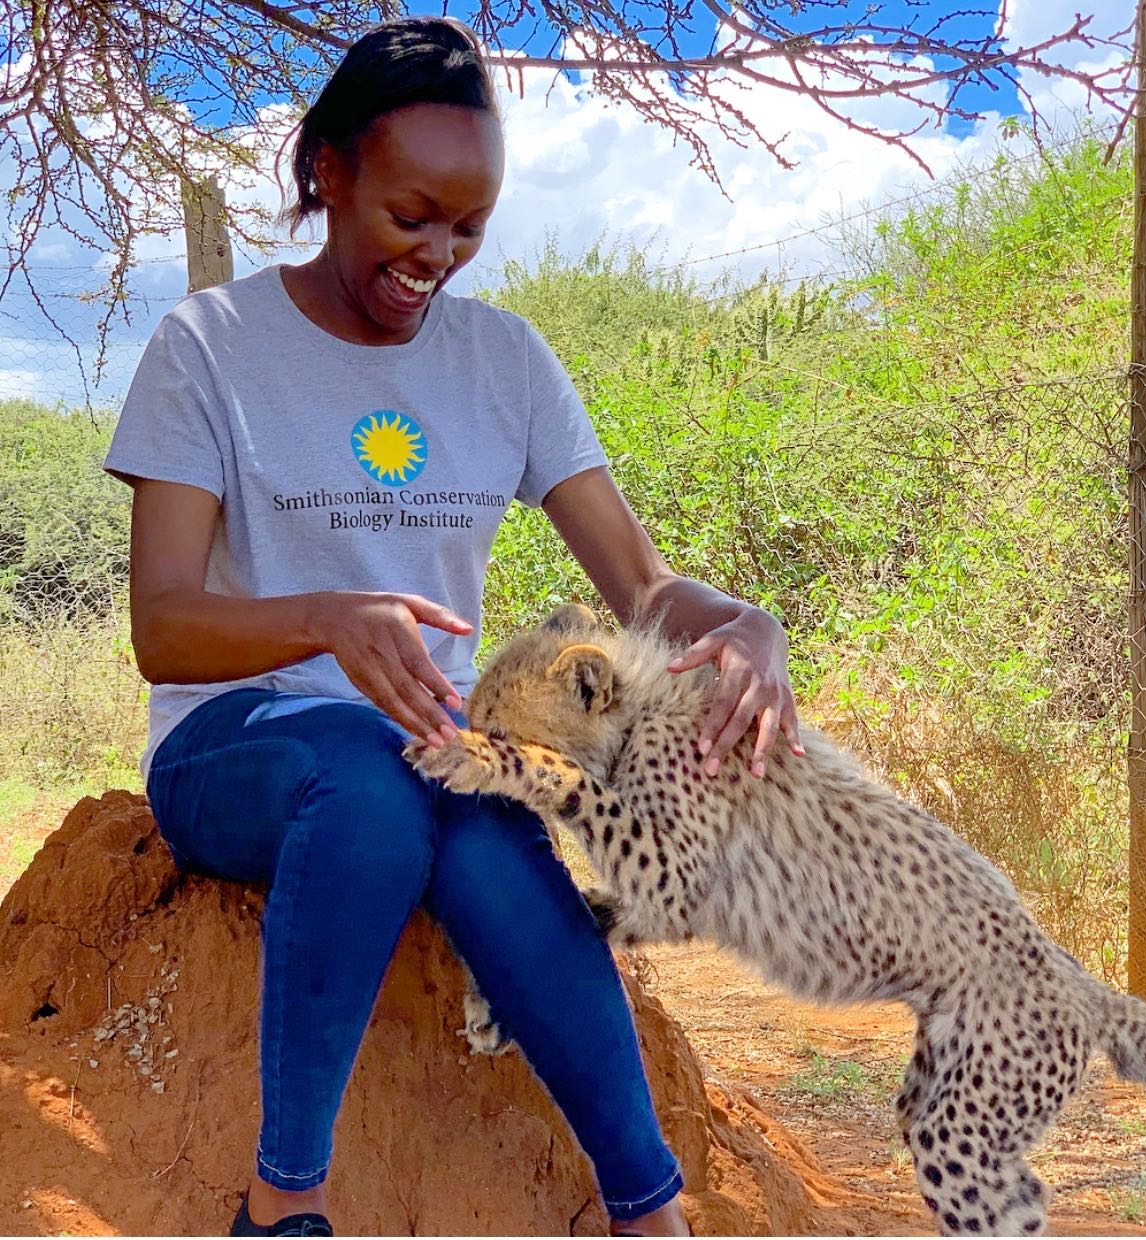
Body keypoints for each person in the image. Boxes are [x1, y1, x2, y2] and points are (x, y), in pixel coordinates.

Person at [104, 15, 803, 1237]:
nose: (440, 253)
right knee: (382, 776)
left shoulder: (505, 362)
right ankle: (284, 1201)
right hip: (237, 746)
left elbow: (642, 585)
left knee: (474, 815)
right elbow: (163, 629)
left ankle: (651, 1212)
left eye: (469, 226)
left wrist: (754, 628)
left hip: (431, 751)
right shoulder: (206, 349)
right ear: (328, 172)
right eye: (411, 214)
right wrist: (322, 617)